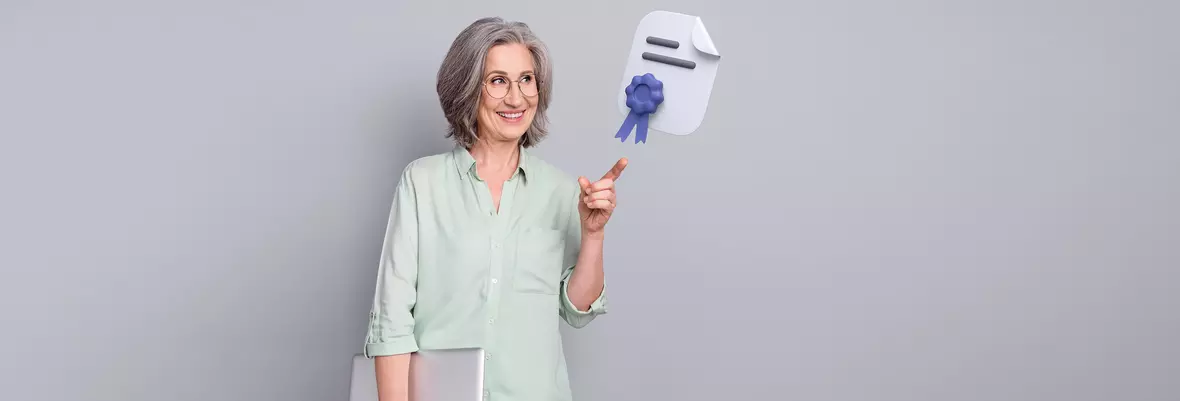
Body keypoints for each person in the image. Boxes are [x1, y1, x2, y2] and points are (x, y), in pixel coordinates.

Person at [363, 17, 625, 401]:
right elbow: (392, 321)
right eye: (498, 81)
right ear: (467, 89)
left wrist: (594, 235)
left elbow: (578, 308)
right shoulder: (422, 183)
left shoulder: (562, 191)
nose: (517, 99)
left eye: (526, 80)